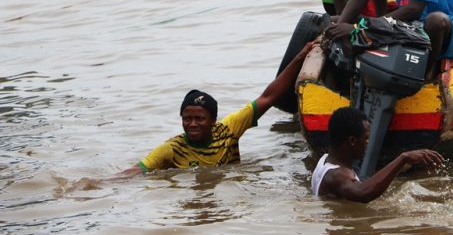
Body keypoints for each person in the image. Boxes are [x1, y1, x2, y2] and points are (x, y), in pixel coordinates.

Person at [116, 42, 314, 175]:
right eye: (187, 118)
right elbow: (137, 170)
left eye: (199, 119)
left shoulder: (228, 129)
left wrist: (300, 56)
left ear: (213, 120)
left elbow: (268, 97)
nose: (192, 124)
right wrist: (100, 184)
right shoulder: (172, 149)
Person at [311, 106, 444, 202]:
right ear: (352, 141)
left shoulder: (325, 160)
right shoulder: (336, 176)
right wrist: (403, 158)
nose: (368, 143)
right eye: (366, 139)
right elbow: (363, 193)